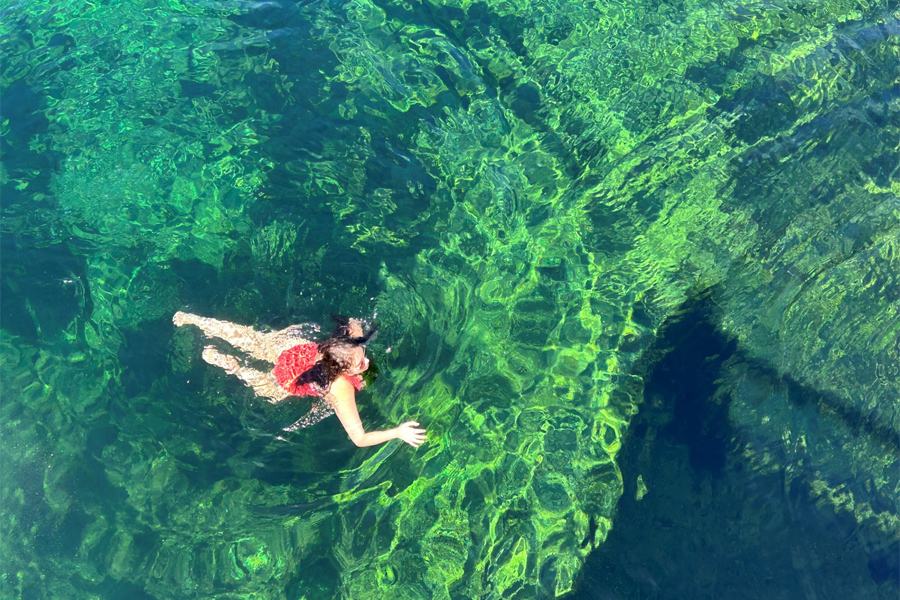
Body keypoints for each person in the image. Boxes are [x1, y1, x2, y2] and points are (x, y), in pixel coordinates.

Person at [173, 311, 426, 448]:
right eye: (360, 364)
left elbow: (352, 322)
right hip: (289, 380)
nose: (367, 362)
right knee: (270, 392)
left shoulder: (340, 345)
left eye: (362, 354)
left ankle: (192, 319)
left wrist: (357, 329)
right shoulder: (340, 388)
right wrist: (397, 433)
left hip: (295, 352)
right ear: (343, 372)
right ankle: (234, 366)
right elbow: (359, 439)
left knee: (251, 339)